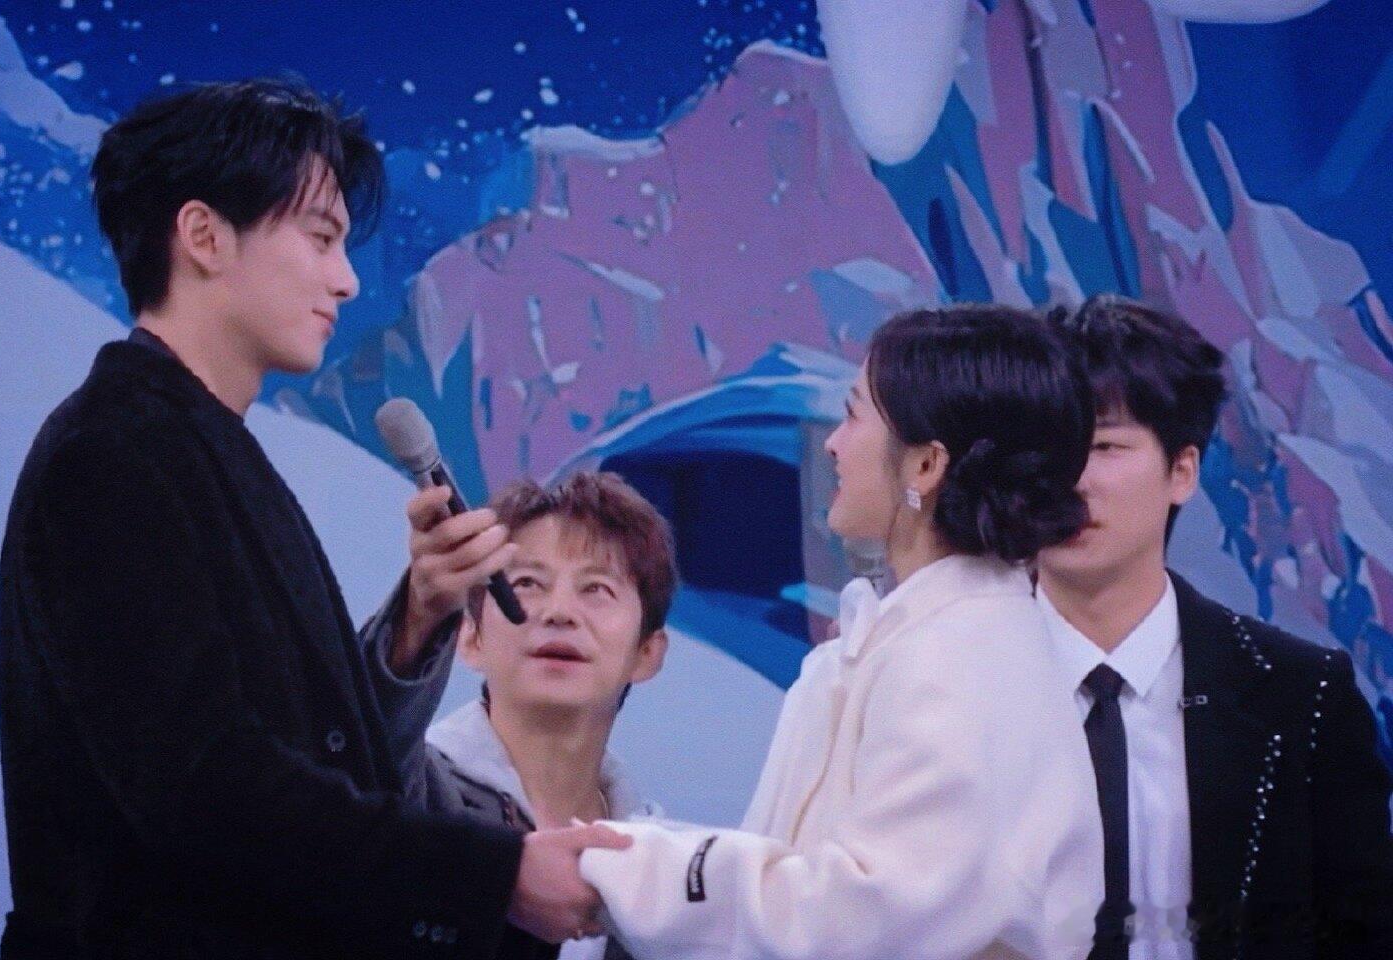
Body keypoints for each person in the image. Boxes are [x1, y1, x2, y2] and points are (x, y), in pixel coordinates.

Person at [0, 77, 625, 960]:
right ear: (204, 235)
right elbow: (206, 791)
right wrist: (495, 876)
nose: (347, 279)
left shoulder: (197, 445)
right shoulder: (113, 455)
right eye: (322, 238)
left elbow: (296, 763)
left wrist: (418, 619)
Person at [577, 304, 1106, 960]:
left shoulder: (962, 660)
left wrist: (627, 870)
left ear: (924, 467)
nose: (832, 443)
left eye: (855, 415)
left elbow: (860, 917)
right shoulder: (912, 641)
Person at [1038, 295, 1393, 960]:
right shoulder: (948, 683)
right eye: (1047, 447)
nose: (1071, 479)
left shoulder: (1302, 694)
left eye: (1104, 446)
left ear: (1182, 472)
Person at [365, 471, 675, 960]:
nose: (559, 612)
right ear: (470, 637)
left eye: (596, 589)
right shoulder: (412, 795)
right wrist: (420, 614)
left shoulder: (666, 874)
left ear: (647, 653)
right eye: (527, 583)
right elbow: (358, 748)